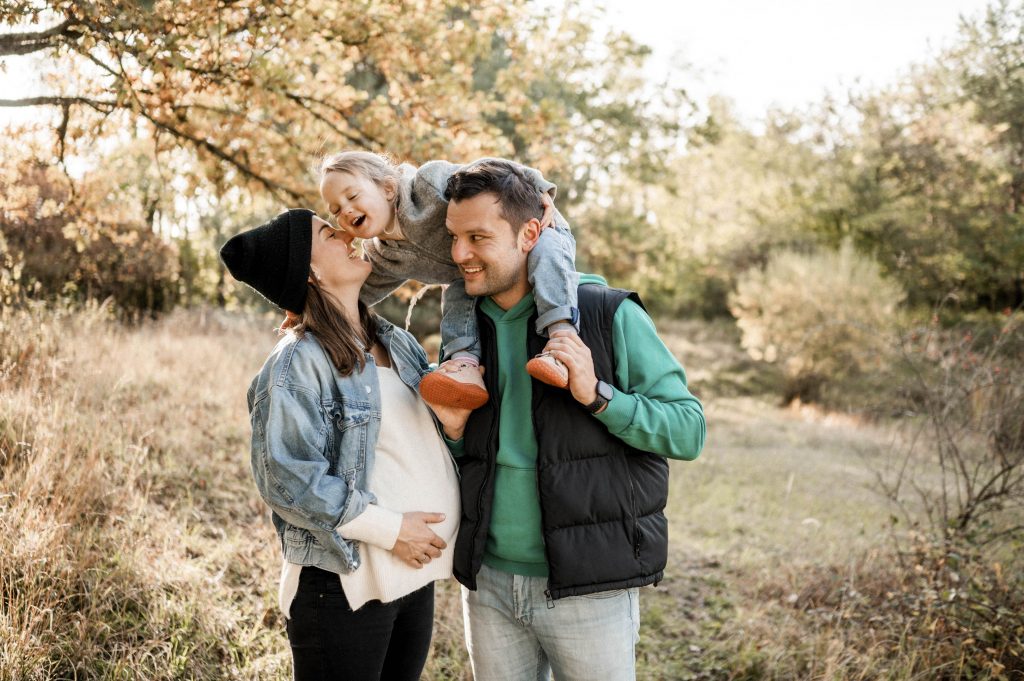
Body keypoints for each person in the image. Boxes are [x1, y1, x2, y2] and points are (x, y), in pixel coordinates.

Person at [432, 161, 707, 681]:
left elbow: (689, 430)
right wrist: (453, 433)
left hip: (591, 590)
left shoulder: (606, 314)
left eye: (477, 237)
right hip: (488, 585)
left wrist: (598, 396)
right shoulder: (463, 337)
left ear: (530, 232)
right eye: (454, 237)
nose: (459, 255)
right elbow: (470, 458)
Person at [219, 208, 461, 681]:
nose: (352, 235)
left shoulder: (397, 342)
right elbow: (287, 478)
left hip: (412, 576)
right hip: (344, 584)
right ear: (309, 271)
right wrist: (392, 530)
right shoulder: (297, 363)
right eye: (332, 234)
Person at [318, 151, 579, 410]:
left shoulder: (426, 185)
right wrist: (309, 307)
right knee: (456, 293)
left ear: (387, 188)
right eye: (335, 210)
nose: (346, 210)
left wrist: (539, 186)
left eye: (352, 196)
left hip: (539, 225)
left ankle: (562, 341)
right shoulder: (382, 256)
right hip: (471, 271)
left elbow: (488, 170)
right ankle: (464, 366)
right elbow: (360, 292)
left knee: (547, 253)